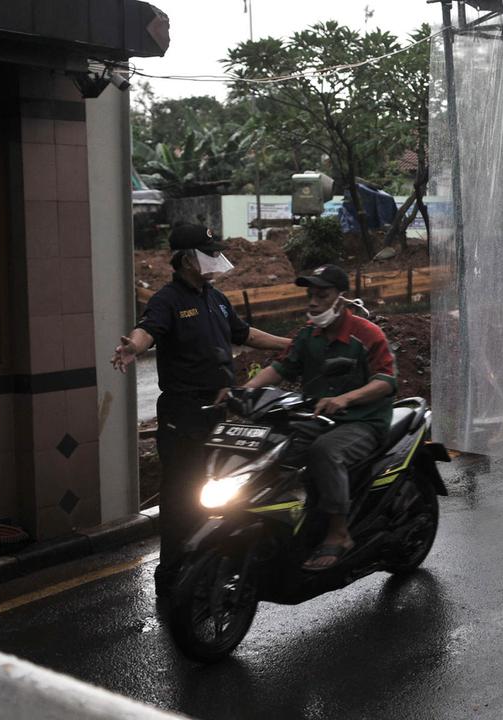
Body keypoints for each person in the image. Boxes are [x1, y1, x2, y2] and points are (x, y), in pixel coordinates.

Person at [110, 224, 291, 595]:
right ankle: (172, 578)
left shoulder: (216, 299)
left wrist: (293, 345)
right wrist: (133, 347)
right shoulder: (167, 300)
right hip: (183, 417)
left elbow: (247, 335)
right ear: (187, 259)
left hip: (217, 413)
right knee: (181, 499)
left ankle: (207, 565)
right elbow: (147, 331)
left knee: (219, 492)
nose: (213, 259)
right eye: (206, 252)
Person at [243, 264, 397, 572]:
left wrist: (345, 399)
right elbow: (282, 368)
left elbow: (386, 381)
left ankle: (339, 532)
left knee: (325, 451)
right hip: (319, 418)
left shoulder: (366, 335)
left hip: (363, 421)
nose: (313, 302)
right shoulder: (307, 336)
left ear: (340, 299)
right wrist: (245, 389)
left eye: (321, 295)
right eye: (310, 295)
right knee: (275, 448)